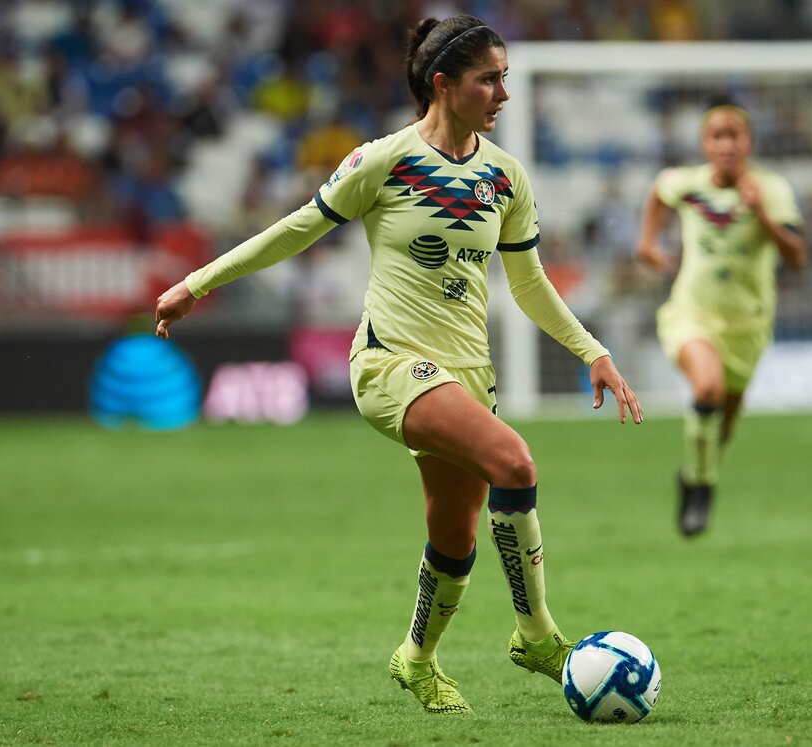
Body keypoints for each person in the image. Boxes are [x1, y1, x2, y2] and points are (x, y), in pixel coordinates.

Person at [154, 15, 642, 715]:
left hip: (469, 373)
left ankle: (415, 656)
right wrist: (196, 283)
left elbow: (529, 283)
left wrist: (592, 350)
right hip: (391, 365)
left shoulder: (505, 177)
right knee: (517, 465)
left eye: (505, 77)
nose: (504, 92)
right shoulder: (383, 160)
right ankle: (537, 633)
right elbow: (296, 228)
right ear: (443, 84)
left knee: (456, 533)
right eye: (489, 78)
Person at [636, 100, 806, 537]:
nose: (726, 144)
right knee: (706, 386)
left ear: (749, 142)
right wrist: (648, 243)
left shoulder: (772, 189)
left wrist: (762, 215)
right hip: (691, 315)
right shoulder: (688, 183)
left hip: (748, 326)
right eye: (718, 136)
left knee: (721, 427)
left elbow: (798, 257)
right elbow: (659, 192)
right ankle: (703, 490)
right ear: (704, 143)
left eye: (735, 135)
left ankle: (693, 474)